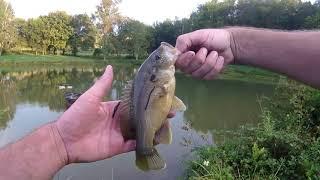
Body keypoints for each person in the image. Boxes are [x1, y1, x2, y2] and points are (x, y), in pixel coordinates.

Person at [0, 27, 319, 179]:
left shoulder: (161, 80)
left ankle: (146, 146)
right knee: (158, 118)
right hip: (143, 117)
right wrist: (58, 143)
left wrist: (59, 142)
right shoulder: (159, 80)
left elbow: (166, 100)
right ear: (155, 71)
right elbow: (162, 101)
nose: (163, 54)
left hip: (150, 103)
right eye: (158, 57)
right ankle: (145, 148)